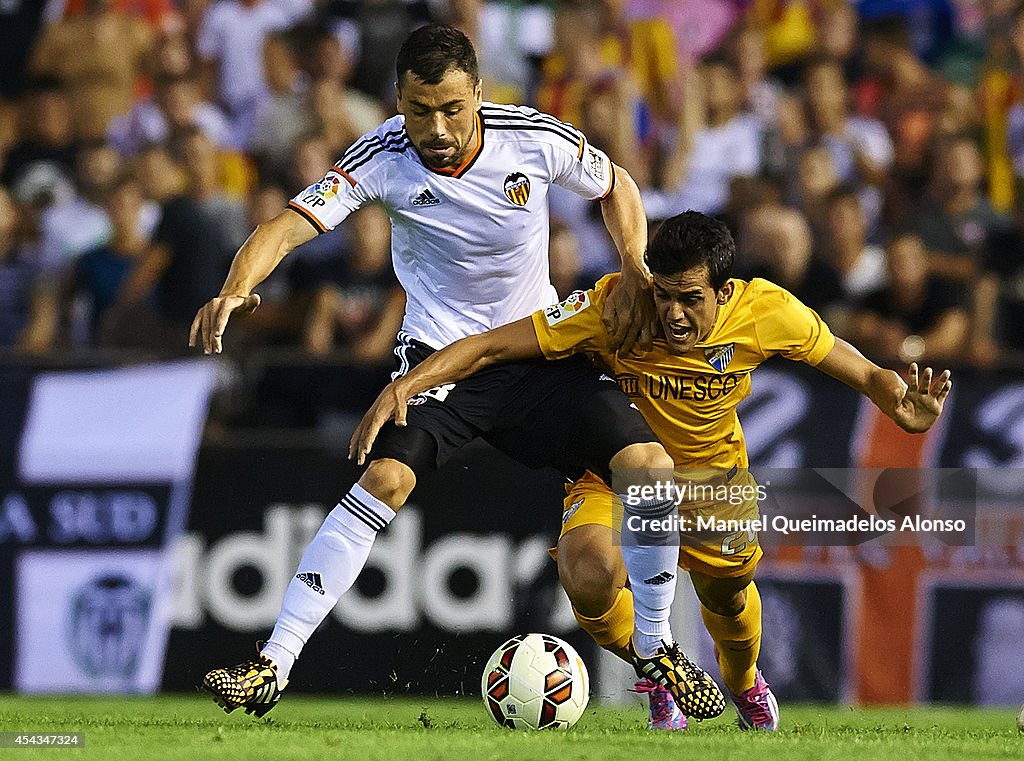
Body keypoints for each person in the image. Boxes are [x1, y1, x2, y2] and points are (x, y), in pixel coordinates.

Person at [194, 25, 723, 722]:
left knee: (649, 465)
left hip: (538, 354)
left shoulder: (530, 136)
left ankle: (654, 647)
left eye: (450, 107)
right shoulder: (381, 155)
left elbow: (617, 183)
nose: (435, 128)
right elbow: (287, 226)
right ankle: (272, 663)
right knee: (382, 479)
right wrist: (236, 286)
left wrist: (633, 263)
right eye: (418, 110)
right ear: (398, 100)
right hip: (440, 366)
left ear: (478, 90)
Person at [350, 211, 952, 732]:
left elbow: (859, 368)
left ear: (725, 290)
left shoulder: (767, 310)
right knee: (587, 572)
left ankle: (744, 686)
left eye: (691, 298)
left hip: (713, 484)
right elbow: (492, 346)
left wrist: (898, 400)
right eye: (664, 295)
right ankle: (659, 671)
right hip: (619, 472)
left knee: (728, 597)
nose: (674, 314)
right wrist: (410, 382)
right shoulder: (617, 307)